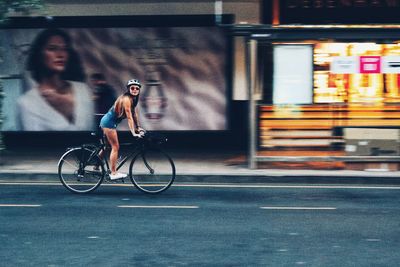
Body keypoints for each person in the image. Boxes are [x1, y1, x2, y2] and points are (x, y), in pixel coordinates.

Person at [17, 28, 94, 131]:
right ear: (39, 54)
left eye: (64, 49)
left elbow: (93, 134)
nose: (60, 54)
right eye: (52, 48)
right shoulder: (26, 103)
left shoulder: (83, 90)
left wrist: (69, 110)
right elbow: (33, 145)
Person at [99, 79, 144, 180]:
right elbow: (129, 117)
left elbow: (135, 114)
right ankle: (113, 173)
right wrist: (133, 132)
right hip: (108, 123)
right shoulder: (127, 99)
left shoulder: (134, 99)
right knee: (115, 147)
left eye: (137, 88)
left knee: (106, 146)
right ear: (128, 89)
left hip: (108, 122)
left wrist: (138, 127)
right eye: (132, 88)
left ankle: (96, 165)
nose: (135, 90)